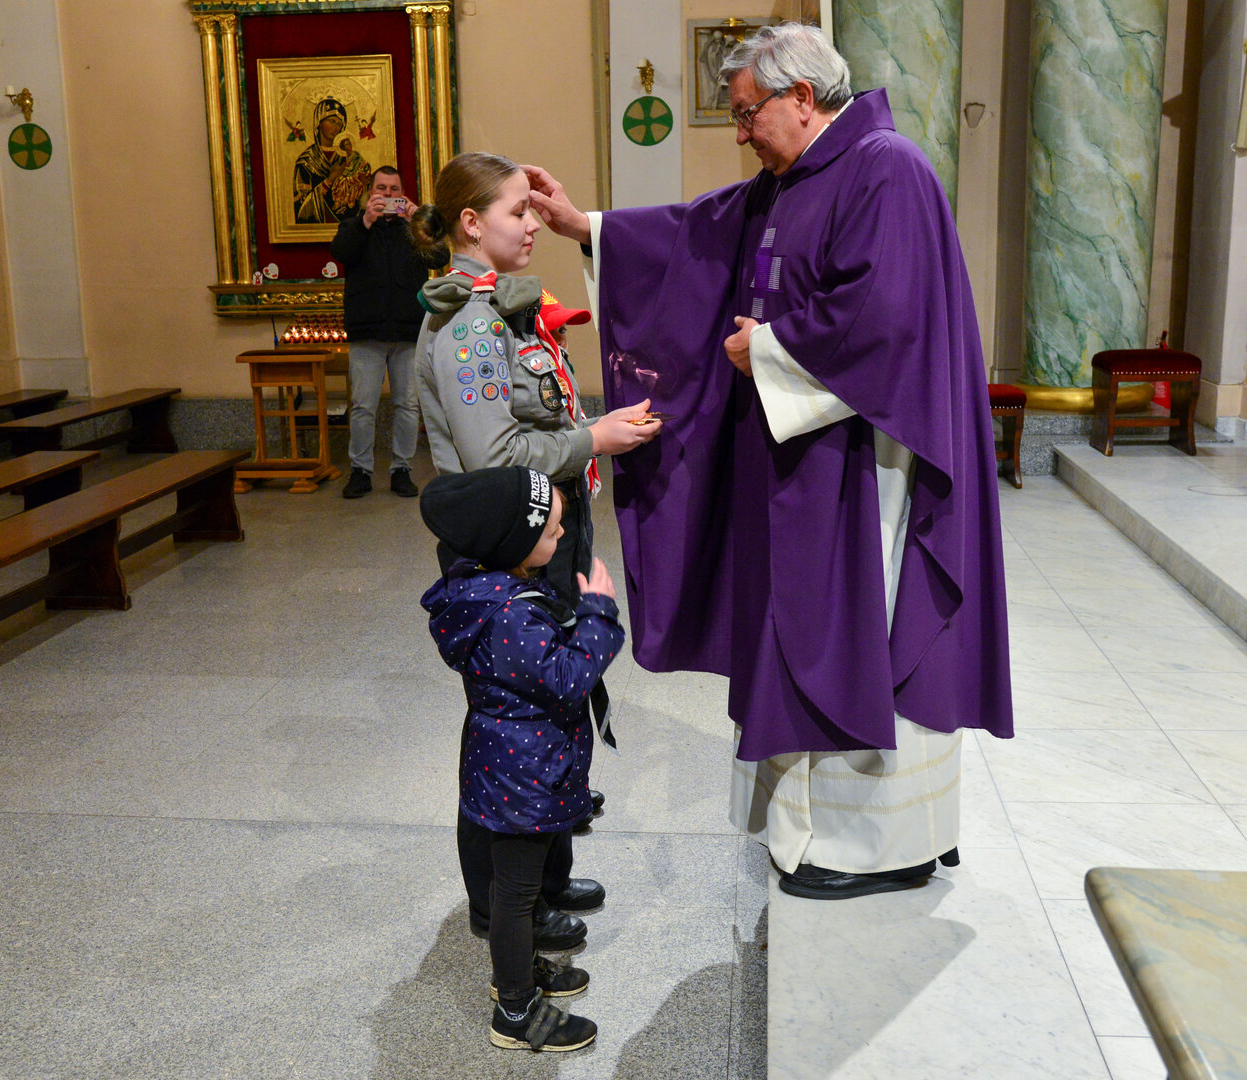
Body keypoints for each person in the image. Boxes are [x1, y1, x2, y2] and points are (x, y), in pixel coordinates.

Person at [527, 24, 1013, 900]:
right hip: (805, 457)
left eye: (748, 113)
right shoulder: (796, 177)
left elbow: (885, 317)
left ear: (802, 97)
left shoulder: (886, 170)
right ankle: (820, 829)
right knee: (800, 625)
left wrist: (772, 349)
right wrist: (587, 227)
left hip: (865, 462)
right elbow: (699, 236)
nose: (740, 132)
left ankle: (877, 845)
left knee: (855, 628)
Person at [408, 151, 661, 948]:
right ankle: (499, 902)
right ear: (469, 223)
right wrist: (597, 438)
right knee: (509, 728)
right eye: (516, 211)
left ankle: (544, 878)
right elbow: (494, 459)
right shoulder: (468, 324)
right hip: (506, 550)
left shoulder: (503, 307)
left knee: (552, 715)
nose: (531, 225)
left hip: (542, 531)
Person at [419, 466, 623, 1052]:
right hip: (523, 776)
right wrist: (598, 615)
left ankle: (518, 972)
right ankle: (514, 1010)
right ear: (514, 544)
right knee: (515, 896)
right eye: (552, 530)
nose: (561, 536)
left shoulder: (493, 593)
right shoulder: (509, 615)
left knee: (518, 891)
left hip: (512, 764)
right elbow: (568, 678)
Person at [330, 166, 444, 498]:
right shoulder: (354, 224)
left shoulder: (415, 228)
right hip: (367, 330)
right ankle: (360, 471)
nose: (388, 194)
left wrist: (418, 224)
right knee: (363, 406)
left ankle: (402, 470)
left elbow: (440, 256)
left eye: (395, 189)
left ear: (403, 194)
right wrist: (366, 220)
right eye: (382, 188)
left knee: (407, 406)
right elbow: (340, 252)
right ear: (370, 192)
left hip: (408, 331)